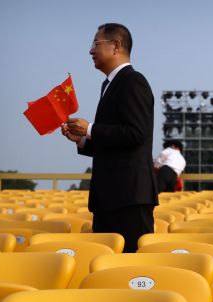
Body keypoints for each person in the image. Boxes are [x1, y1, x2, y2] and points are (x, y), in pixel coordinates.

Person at [62, 23, 157, 253]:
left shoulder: (133, 81)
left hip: (129, 198)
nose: (91, 51)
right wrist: (83, 139)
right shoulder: (110, 84)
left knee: (132, 268)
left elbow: (136, 133)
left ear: (115, 46)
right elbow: (117, 140)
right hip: (109, 197)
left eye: (96, 43)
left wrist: (91, 128)